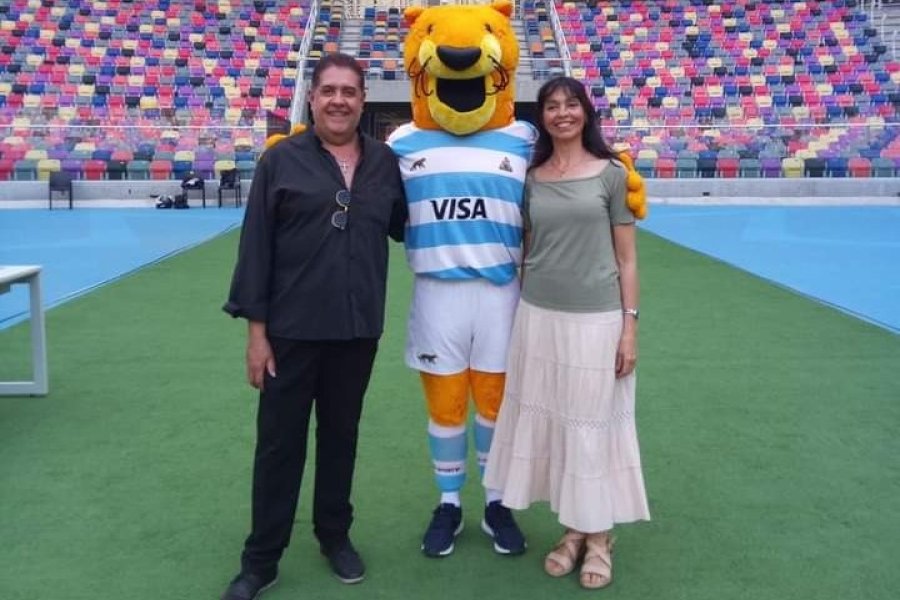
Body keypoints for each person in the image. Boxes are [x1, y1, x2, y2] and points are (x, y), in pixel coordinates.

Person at [220, 53, 407, 600]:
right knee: (279, 446)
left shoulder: (384, 163)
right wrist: (257, 334)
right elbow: (255, 248)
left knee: (340, 439)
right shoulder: (281, 161)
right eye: (329, 91)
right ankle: (261, 559)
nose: (339, 100)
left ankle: (334, 535)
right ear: (312, 98)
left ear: (363, 100)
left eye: (350, 91)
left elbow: (405, 227)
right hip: (290, 333)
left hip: (356, 330)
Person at [483, 76, 651, 590]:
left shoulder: (612, 175)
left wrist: (629, 328)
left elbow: (627, 260)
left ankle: (599, 537)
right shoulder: (532, 178)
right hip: (538, 319)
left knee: (590, 429)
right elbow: (530, 251)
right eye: (552, 106)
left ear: (586, 112)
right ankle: (574, 530)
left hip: (596, 322)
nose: (562, 114)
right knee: (560, 427)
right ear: (543, 117)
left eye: (571, 104)